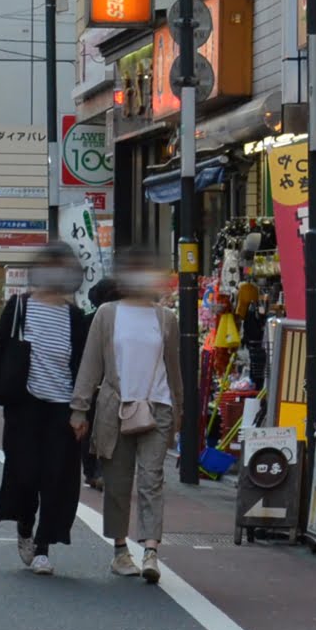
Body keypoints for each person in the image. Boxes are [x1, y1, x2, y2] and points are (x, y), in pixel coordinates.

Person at [73, 249, 181, 584]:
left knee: (152, 480)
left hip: (158, 407)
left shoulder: (165, 319)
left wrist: (180, 409)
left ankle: (150, 551)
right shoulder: (106, 314)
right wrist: (79, 408)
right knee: (118, 484)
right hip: (114, 408)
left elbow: (174, 369)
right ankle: (120, 550)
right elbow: (91, 364)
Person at [0, 243, 88, 577]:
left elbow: (84, 367)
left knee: (56, 478)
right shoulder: (19, 306)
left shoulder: (75, 315)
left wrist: (81, 411)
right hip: (25, 404)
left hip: (63, 407)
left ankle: (43, 546)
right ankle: (25, 526)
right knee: (25, 473)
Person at [81, 276, 122, 490]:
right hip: (117, 383)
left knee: (87, 429)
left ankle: (91, 471)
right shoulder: (124, 320)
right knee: (112, 428)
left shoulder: (86, 320)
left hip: (91, 383)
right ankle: (104, 471)